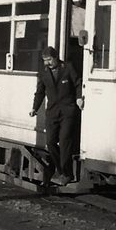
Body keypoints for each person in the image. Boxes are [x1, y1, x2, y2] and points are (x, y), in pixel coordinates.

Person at [29, 46, 83, 186]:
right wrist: (35, 108)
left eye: (49, 59)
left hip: (67, 111)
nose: (47, 62)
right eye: (45, 60)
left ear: (56, 57)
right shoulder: (43, 73)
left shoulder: (68, 68)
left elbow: (78, 83)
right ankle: (60, 169)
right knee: (51, 142)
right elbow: (40, 92)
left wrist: (79, 98)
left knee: (65, 141)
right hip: (52, 112)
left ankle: (67, 174)